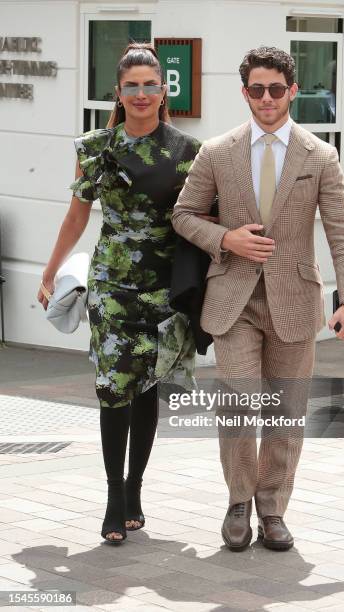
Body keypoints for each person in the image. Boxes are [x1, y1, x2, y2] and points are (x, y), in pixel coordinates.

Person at [172, 46, 344, 552]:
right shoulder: (216, 151)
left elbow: (343, 231)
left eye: (275, 89)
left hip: (295, 300)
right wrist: (226, 239)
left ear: (293, 91)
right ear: (245, 93)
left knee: (284, 410)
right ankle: (239, 501)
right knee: (239, 401)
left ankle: (272, 508)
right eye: (256, 89)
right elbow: (184, 214)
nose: (266, 98)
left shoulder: (320, 155)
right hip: (232, 298)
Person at [38, 43, 202, 544]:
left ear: (164, 90)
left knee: (148, 389)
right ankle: (113, 499)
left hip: (162, 286)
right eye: (131, 85)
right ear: (118, 92)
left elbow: (199, 220)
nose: (141, 94)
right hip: (111, 286)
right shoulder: (94, 148)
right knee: (113, 390)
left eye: (150, 85)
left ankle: (135, 489)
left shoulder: (188, 151)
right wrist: (48, 273)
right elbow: (77, 215)